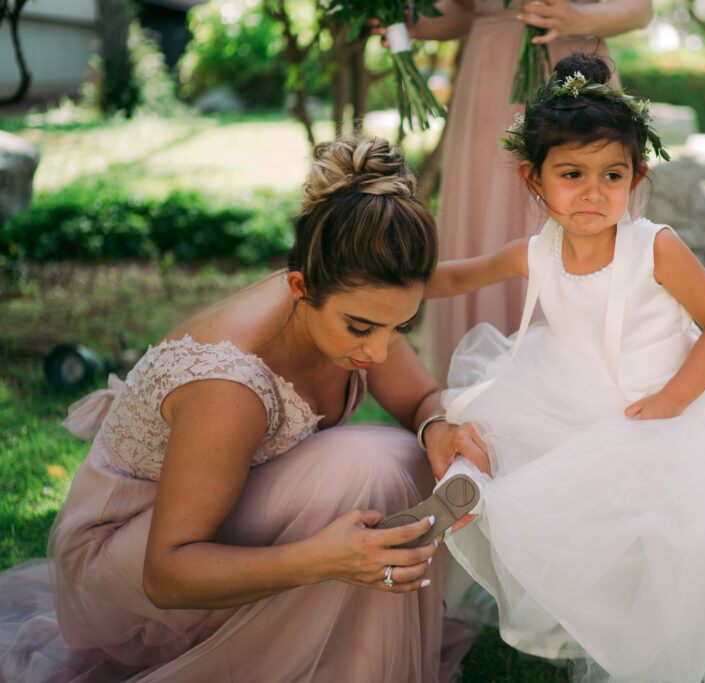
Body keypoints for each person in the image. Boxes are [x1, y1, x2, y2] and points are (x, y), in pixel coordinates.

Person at [413, 54, 705, 682]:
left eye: (611, 175)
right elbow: (456, 277)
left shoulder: (655, 247)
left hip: (666, 405)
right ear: (534, 179)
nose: (593, 191)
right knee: (495, 434)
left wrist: (674, 399)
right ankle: (476, 493)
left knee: (676, 539)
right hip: (566, 393)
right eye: (572, 174)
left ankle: (676, 647)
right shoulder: (535, 252)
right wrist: (387, 280)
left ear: (636, 177)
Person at [0, 136, 486, 682]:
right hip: (134, 569)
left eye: (400, 327)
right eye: (362, 328)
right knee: (365, 468)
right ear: (300, 286)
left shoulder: (348, 302)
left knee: (408, 455)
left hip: (218, 519)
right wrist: (325, 558)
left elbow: (419, 399)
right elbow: (166, 575)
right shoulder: (230, 386)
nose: (378, 352)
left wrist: (436, 426)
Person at [407, 0, 653, 380]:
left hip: (572, 71)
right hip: (489, 76)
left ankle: (580, 369)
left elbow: (640, 9)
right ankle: (487, 377)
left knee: (579, 191)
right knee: (487, 217)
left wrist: (577, 17)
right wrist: (404, 19)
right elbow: (464, 9)